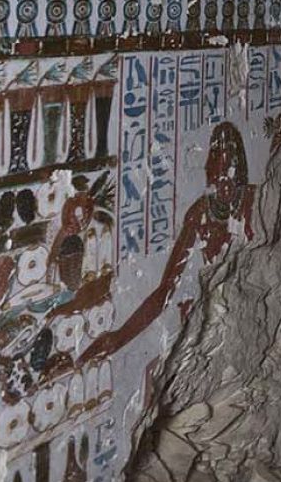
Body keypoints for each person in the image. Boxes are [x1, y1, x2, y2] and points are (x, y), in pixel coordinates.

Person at [80, 122, 253, 362]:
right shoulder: (199, 214)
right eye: (217, 171)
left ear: (240, 170)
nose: (223, 179)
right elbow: (165, 290)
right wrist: (119, 337)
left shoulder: (251, 200)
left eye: (229, 170)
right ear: (209, 173)